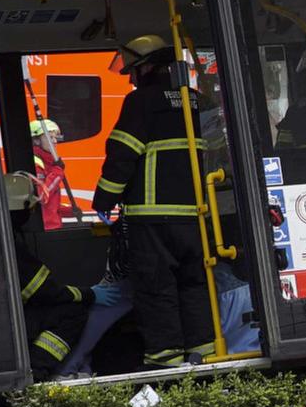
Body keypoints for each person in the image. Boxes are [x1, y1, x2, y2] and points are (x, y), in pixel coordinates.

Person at [92, 34, 216, 368]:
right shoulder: (197, 101)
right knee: (194, 285)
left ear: (147, 67)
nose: (130, 79)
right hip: (197, 216)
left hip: (153, 218)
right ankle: (204, 355)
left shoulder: (141, 102)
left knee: (156, 287)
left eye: (132, 71)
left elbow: (122, 155)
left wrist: (104, 199)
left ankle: (166, 360)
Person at [17, 247, 94, 379]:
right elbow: (45, 291)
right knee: (73, 312)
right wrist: (89, 294)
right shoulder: (10, 249)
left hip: (6, 319)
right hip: (10, 323)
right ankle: (35, 372)